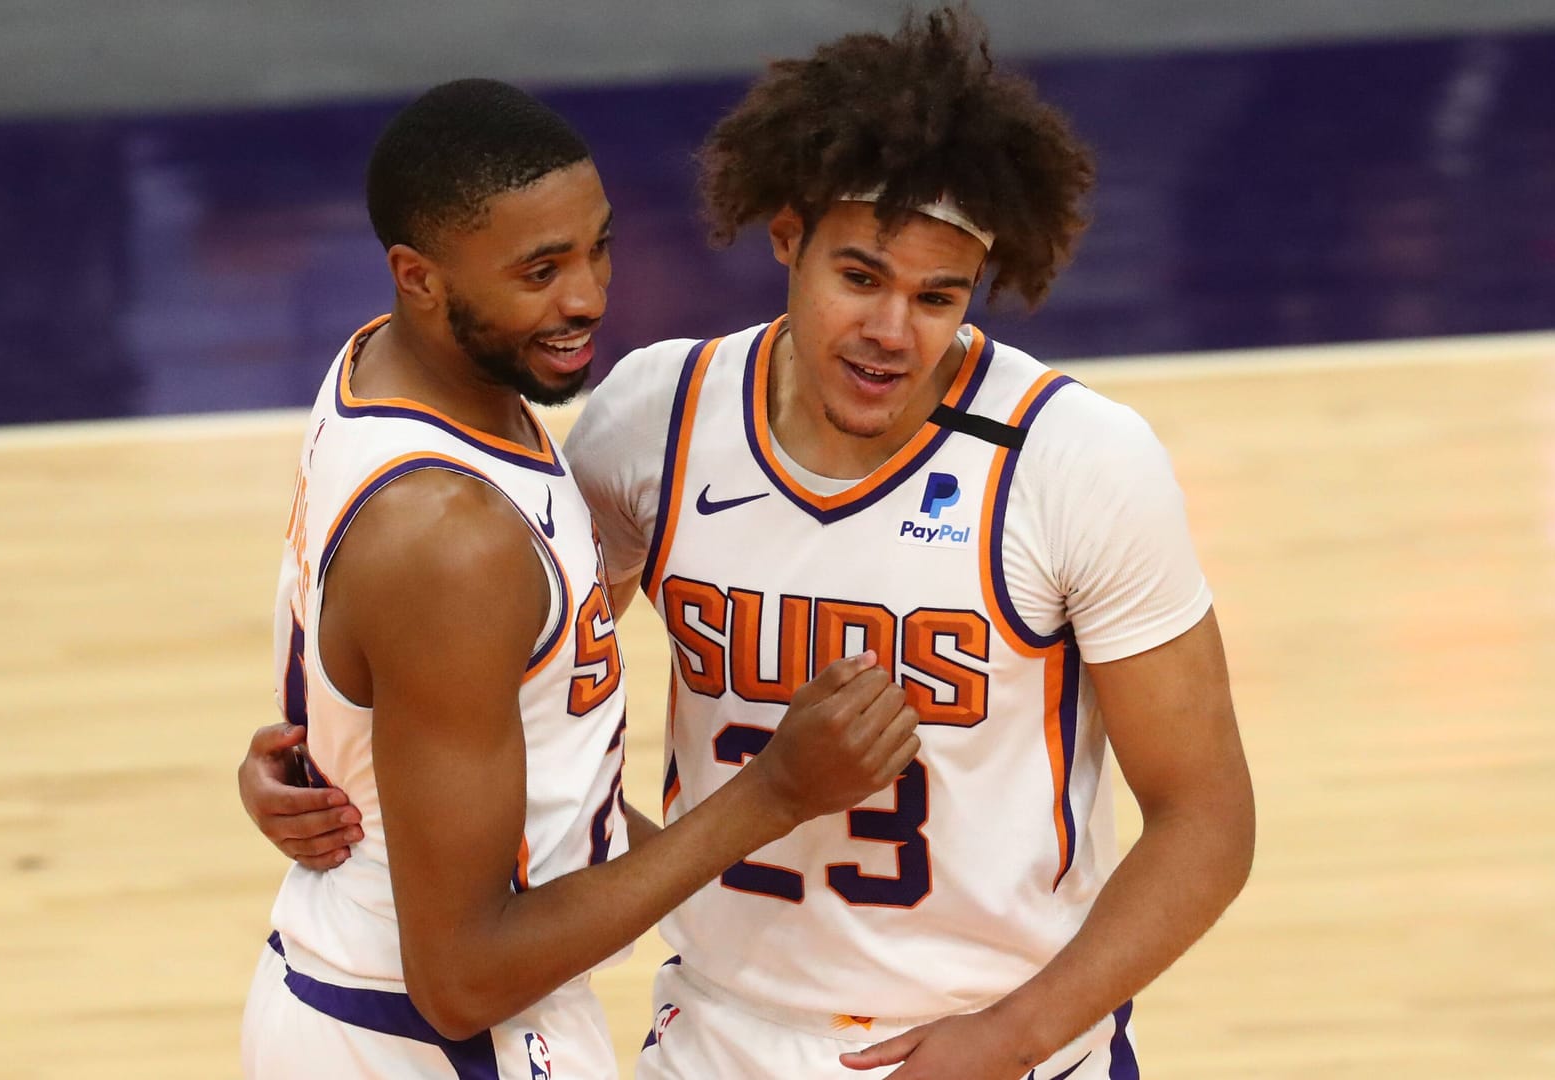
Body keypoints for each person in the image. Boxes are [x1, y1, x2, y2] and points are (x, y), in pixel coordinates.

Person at [245, 12, 1255, 1077]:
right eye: (860, 277)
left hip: (996, 1043)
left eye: (938, 298)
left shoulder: (1078, 461)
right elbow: (489, 667)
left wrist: (1012, 1037)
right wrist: (329, 768)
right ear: (788, 237)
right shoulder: (654, 420)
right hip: (721, 1038)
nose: (891, 331)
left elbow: (1207, 819)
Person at [240, 77, 922, 1080]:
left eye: (597, 247)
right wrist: (775, 792)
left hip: (361, 994)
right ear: (416, 275)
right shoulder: (453, 538)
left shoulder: (399, 370)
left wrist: (317, 757)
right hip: (434, 1039)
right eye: (540, 270)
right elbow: (463, 979)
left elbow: (397, 675)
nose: (587, 296)